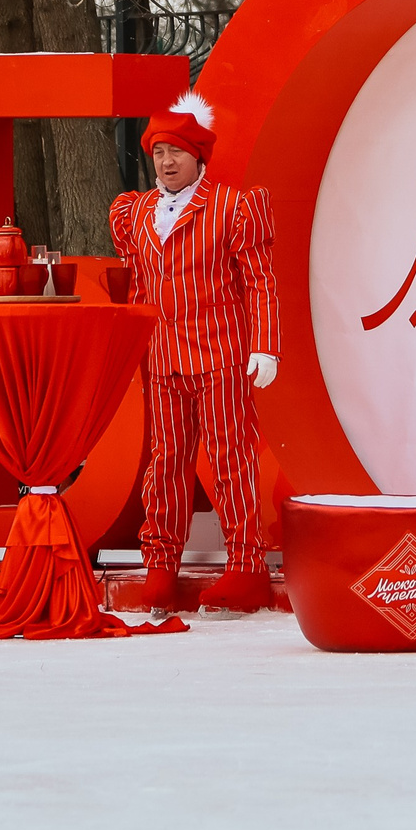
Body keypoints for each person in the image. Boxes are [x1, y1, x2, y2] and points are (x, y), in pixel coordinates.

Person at [107, 92, 280, 618]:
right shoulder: (136, 212)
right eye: (159, 152)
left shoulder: (232, 206)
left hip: (221, 354)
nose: (166, 162)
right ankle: (161, 565)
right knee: (166, 462)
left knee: (230, 459)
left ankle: (247, 568)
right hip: (162, 358)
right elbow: (138, 282)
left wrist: (265, 346)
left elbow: (260, 282)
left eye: (176, 152)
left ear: (198, 156)